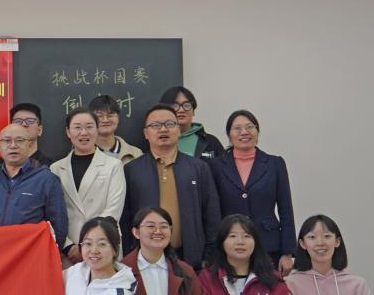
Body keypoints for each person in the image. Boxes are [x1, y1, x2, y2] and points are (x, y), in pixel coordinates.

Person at [121, 104, 221, 269]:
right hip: (144, 258)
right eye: (155, 125)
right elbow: (126, 218)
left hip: (190, 258)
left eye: (169, 124)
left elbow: (211, 214)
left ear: (179, 130)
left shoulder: (198, 168)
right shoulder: (132, 169)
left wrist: (209, 256)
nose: (163, 129)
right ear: (146, 133)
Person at [209, 110, 295, 273]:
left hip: (268, 244)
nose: (244, 132)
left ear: (257, 131)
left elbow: (286, 209)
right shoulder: (216, 166)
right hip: (230, 246)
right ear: (229, 135)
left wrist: (288, 252)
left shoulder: (275, 164)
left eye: (250, 127)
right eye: (237, 128)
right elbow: (212, 210)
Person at [50, 109, 125, 263]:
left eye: (89, 127)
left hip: (103, 245)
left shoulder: (113, 165)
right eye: (77, 127)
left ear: (97, 130)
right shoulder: (56, 168)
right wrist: (68, 246)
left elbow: (113, 210)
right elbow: (53, 213)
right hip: (68, 252)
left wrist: (87, 245)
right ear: (68, 132)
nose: (84, 132)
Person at [0, 123, 67, 249]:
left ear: (30, 145)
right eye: (7, 140)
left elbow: (59, 226)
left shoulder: (46, 179)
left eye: (20, 140)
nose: (13, 145)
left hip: (29, 253)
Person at [159, 86, 223, 160]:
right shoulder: (156, 140)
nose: (181, 110)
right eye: (175, 105)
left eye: (186, 105)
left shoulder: (211, 142)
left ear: (193, 111)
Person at [0, 103, 53, 168]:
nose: (24, 124)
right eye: (18, 121)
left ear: (39, 130)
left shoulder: (51, 167)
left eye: (30, 121)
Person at [88, 94, 142, 164]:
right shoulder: (80, 154)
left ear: (118, 118)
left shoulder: (136, 154)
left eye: (110, 115)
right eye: (100, 116)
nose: (105, 120)